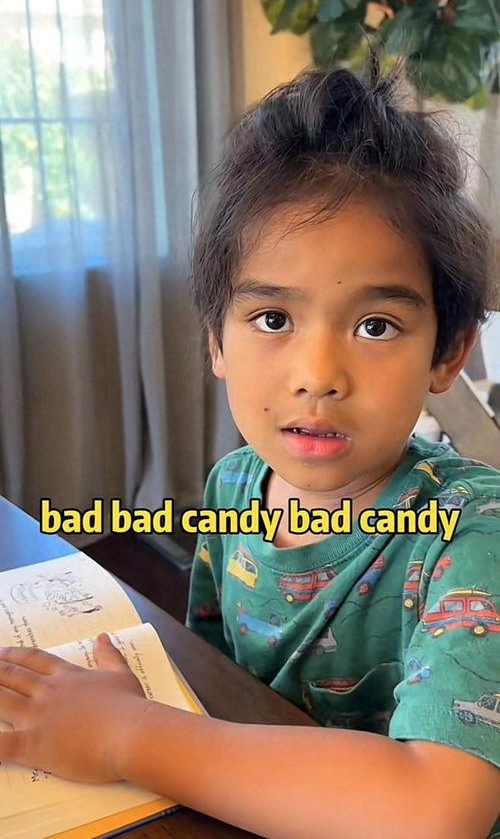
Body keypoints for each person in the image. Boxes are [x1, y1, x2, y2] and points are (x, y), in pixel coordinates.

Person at [0, 65, 499, 839]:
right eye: (272, 318)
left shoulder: (473, 533)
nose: (317, 376)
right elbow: (212, 683)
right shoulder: (234, 486)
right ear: (216, 342)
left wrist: (125, 734)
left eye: (376, 326)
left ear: (447, 352)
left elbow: (439, 810)